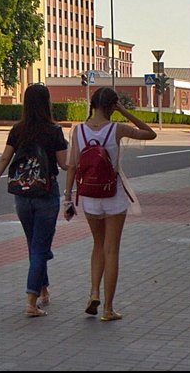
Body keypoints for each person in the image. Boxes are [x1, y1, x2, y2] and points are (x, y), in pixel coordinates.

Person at [63, 86, 157, 322]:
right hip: (112, 195)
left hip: (89, 198)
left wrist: (67, 196)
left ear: (93, 104)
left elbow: (72, 165)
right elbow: (149, 133)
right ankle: (107, 308)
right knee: (111, 249)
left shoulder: (79, 131)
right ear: (112, 106)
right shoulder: (117, 129)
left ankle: (93, 292)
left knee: (97, 245)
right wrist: (125, 112)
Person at [0, 83, 69, 317]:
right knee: (40, 248)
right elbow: (64, 164)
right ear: (47, 103)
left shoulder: (18, 129)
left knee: (35, 245)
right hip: (46, 194)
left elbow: (4, 158)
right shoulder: (54, 130)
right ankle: (31, 301)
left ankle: (44, 290)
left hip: (22, 195)